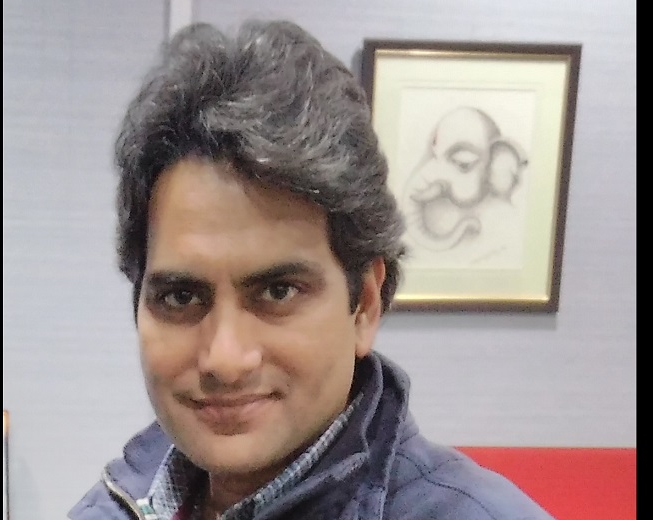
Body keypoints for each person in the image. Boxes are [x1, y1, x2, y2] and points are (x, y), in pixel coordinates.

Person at [69, 19, 554, 520]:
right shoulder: (110, 507)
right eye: (181, 297)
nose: (225, 360)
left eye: (278, 291)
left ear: (364, 306)